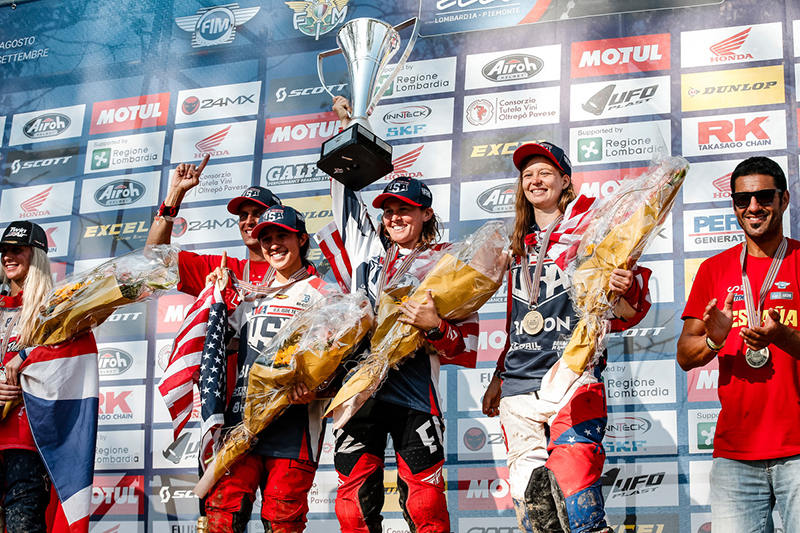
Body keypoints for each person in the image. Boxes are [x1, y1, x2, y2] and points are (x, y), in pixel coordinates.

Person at [481, 142, 652, 533]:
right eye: (528, 175)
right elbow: (517, 319)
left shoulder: (590, 231)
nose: (535, 181)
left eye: (545, 172)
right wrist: (496, 376)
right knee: (535, 513)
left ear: (564, 181)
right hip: (518, 388)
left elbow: (630, 310)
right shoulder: (515, 246)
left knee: (576, 495)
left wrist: (622, 288)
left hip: (572, 375)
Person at [326, 96, 478, 533]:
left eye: (404, 210)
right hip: (359, 393)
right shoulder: (367, 252)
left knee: (427, 504)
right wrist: (349, 127)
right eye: (388, 211)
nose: (394, 218)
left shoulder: (448, 263)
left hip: (414, 391)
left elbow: (464, 340)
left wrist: (436, 328)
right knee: (353, 506)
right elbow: (342, 188)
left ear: (425, 213)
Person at [677, 156, 800, 531]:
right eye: (741, 199)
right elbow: (685, 355)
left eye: (764, 196)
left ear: (784, 199)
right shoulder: (714, 269)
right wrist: (714, 339)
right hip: (736, 453)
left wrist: (781, 335)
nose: (753, 207)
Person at [203, 204, 330, 533]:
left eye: (282, 236)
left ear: (301, 239)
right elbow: (218, 343)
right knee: (221, 518)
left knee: (282, 523)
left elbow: (341, 360)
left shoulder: (323, 293)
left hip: (294, 430)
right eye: (266, 238)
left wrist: (318, 390)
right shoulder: (248, 297)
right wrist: (215, 293)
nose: (273, 244)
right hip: (240, 427)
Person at [0, 220, 98, 533]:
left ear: (37, 255)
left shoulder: (54, 309)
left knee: (23, 528)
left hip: (29, 441)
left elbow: (72, 355)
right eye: (4, 251)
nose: (8, 257)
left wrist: (26, 358)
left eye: (18, 250)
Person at [145, 154, 283, 302]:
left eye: (258, 214)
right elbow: (157, 255)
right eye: (243, 215)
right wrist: (176, 193)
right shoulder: (222, 270)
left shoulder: (298, 272)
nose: (248, 221)